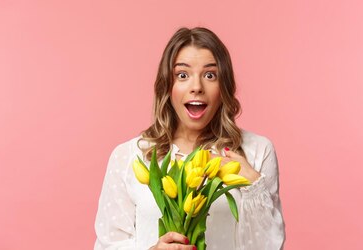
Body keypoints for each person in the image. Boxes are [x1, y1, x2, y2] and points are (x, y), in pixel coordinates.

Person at [94, 27, 285, 250]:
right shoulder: (129, 156)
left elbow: (269, 246)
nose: (196, 87)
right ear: (167, 86)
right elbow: (108, 244)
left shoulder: (257, 151)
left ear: (223, 86)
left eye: (210, 75)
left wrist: (253, 183)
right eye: (182, 75)